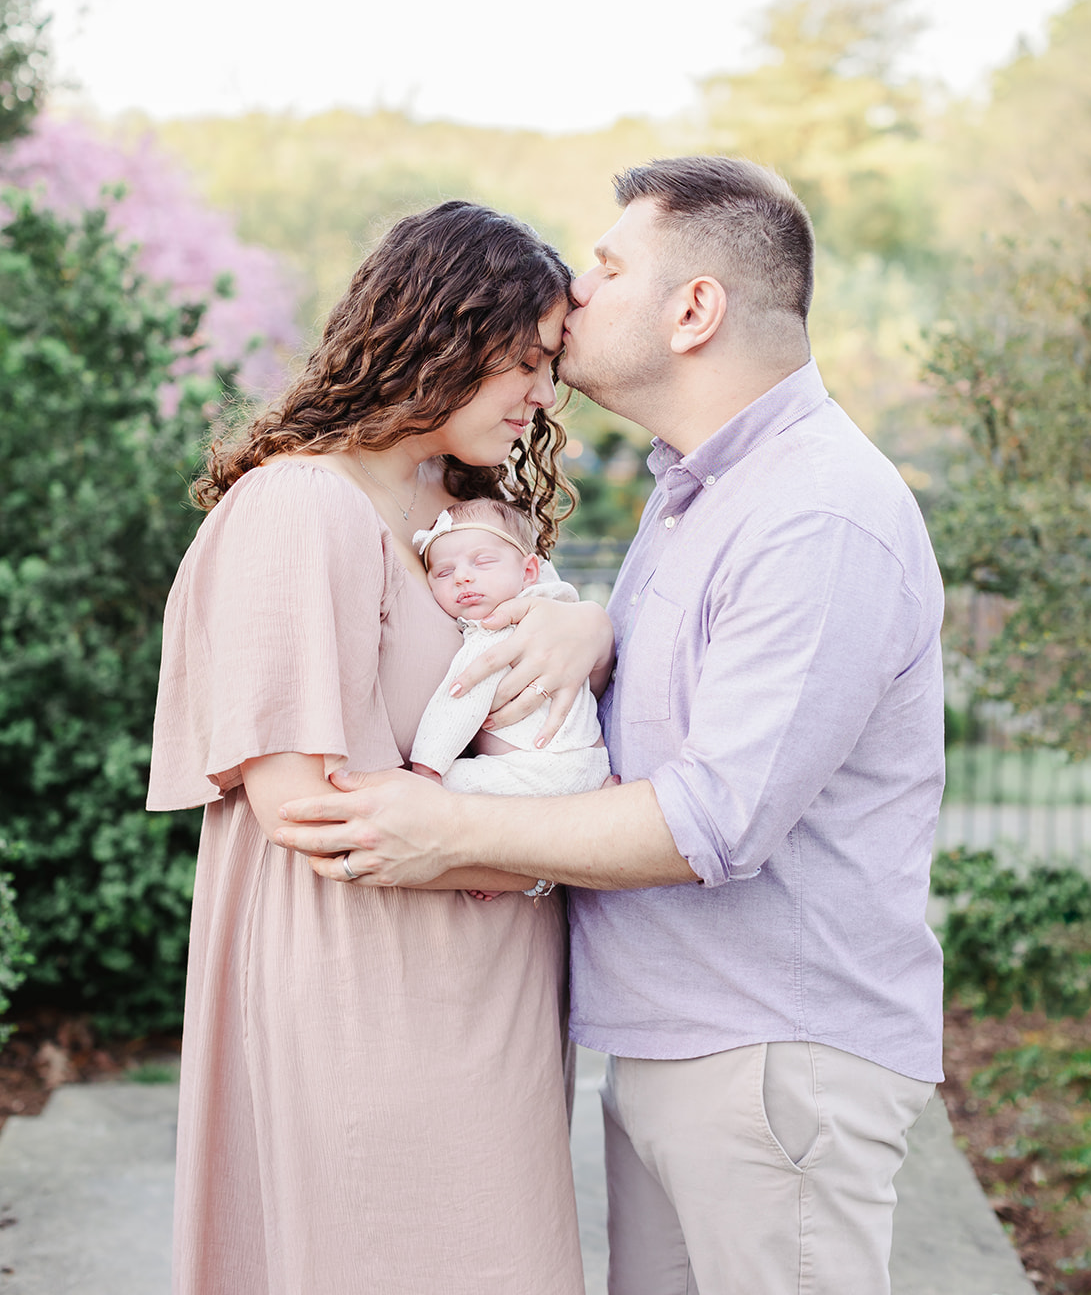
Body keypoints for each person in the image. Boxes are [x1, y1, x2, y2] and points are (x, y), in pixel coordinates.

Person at [277, 156, 947, 1295]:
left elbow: (712, 820)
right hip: (677, 1044)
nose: (576, 292)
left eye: (607, 264)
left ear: (695, 309)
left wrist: (448, 827)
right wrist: (591, 631)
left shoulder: (817, 510)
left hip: (769, 1055)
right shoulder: (703, 492)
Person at [146, 200, 613, 1295]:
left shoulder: (466, 516)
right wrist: (569, 847)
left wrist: (582, 626)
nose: (547, 394)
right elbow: (309, 810)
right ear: (444, 330)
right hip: (370, 997)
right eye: (531, 360)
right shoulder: (299, 509)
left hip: (487, 994)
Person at [409, 498, 611, 797]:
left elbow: (460, 701)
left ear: (529, 571)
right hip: (593, 765)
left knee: (418, 786)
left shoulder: (497, 631)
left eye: (483, 562)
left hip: (536, 772)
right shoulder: (557, 619)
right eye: (443, 572)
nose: (462, 577)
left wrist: (427, 767)